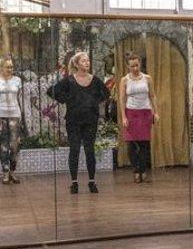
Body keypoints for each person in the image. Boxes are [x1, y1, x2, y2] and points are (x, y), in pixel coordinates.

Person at [47, 51, 109, 194]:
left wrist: (93, 102)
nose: (87, 63)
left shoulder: (95, 80)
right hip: (73, 121)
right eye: (83, 61)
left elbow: (106, 93)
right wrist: (66, 99)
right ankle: (74, 182)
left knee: (89, 150)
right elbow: (52, 91)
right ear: (76, 64)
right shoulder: (69, 80)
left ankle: (92, 181)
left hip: (90, 120)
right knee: (74, 150)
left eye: (88, 61)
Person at [118, 53, 157, 183]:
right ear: (128, 67)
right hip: (131, 112)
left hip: (145, 112)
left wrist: (155, 112)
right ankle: (136, 169)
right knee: (131, 145)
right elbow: (122, 99)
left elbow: (152, 96)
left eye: (137, 65)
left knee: (144, 144)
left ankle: (143, 170)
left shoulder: (147, 78)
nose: (135, 68)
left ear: (140, 64)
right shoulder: (124, 80)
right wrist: (123, 116)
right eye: (132, 66)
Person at [0, 55, 23, 184]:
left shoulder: (17, 80)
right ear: (0, 67)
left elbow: (17, 97)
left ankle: (13, 171)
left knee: (15, 144)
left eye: (12, 67)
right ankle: (5, 173)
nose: (10, 69)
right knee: (3, 144)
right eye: (7, 67)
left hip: (14, 113)